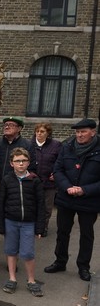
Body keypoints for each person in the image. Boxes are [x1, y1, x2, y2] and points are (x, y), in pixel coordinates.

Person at [44, 118, 100, 282]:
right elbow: (58, 169)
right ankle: (60, 262)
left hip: (89, 200)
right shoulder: (67, 147)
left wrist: (84, 190)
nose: (79, 135)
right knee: (62, 232)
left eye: (83, 132)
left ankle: (83, 266)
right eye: (77, 132)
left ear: (93, 132)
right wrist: (67, 186)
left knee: (86, 235)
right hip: (66, 197)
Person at [0, 116, 35, 269]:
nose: (7, 127)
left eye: (11, 125)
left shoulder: (27, 145)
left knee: (13, 226)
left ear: (19, 128)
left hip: (15, 190)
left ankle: (12, 259)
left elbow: (32, 168)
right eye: (5, 124)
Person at [0, 147, 45, 297]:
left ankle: (31, 280)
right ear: (12, 163)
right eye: (17, 161)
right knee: (11, 251)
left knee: (28, 252)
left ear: (29, 162)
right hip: (10, 221)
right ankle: (12, 278)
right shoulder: (6, 180)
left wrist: (40, 227)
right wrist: (0, 225)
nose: (21, 163)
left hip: (28, 223)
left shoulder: (35, 180)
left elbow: (41, 204)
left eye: (24, 160)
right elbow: (0, 203)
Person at [31, 123, 62, 237]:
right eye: (37, 131)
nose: (39, 133)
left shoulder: (56, 145)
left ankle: (43, 227)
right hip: (33, 181)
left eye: (42, 131)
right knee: (33, 204)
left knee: (47, 207)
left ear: (48, 133)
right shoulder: (30, 144)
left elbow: (60, 161)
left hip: (49, 182)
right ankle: (32, 226)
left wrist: (56, 173)